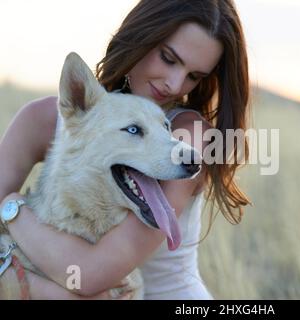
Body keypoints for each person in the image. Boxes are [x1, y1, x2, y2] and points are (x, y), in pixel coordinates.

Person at [0, 0, 251, 300]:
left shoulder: (190, 136)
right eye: (168, 58)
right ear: (141, 34)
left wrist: (12, 210)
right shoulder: (43, 119)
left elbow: (90, 275)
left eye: (193, 76)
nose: (174, 84)